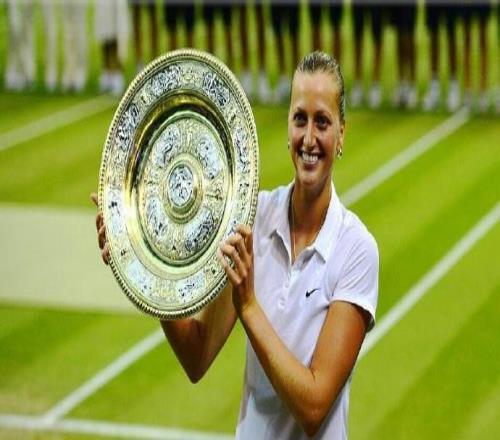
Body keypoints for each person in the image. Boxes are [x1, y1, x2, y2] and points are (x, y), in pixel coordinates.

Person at [92, 51, 378, 439]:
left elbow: (313, 406)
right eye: (300, 119)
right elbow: (196, 356)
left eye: (322, 122)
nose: (309, 138)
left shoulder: (356, 250)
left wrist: (249, 307)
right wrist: (140, 260)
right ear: (287, 126)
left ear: (341, 133)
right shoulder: (252, 218)